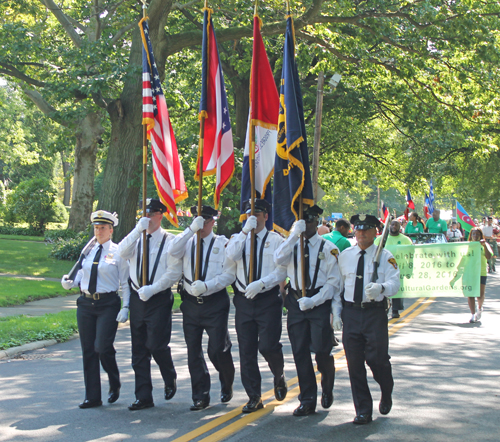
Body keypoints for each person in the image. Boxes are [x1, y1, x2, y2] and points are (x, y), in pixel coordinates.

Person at [274, 205, 341, 416]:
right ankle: (308, 399)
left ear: (317, 222)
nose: (306, 226)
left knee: (321, 350)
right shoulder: (292, 244)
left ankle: (327, 382)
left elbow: (333, 283)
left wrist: (314, 301)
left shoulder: (329, 248)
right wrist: (294, 234)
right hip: (295, 302)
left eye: (310, 222)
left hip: (318, 302)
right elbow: (278, 259)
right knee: (300, 351)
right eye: (302, 222)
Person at [167, 205, 235, 411]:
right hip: (190, 304)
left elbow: (229, 275)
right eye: (198, 220)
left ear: (213, 221)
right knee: (193, 352)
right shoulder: (186, 243)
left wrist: (207, 285)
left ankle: (226, 379)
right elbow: (171, 251)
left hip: (214, 303)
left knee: (217, 350)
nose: (201, 225)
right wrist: (190, 230)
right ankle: (200, 395)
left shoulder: (222, 244)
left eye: (205, 221)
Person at [117, 199, 182, 411]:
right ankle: (143, 396)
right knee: (139, 351)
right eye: (144, 213)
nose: (147, 217)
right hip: (137, 298)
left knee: (156, 345)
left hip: (158, 298)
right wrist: (137, 230)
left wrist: (152, 289)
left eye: (152, 213)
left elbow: (173, 272)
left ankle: (169, 374)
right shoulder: (136, 238)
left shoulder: (170, 241)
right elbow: (121, 252)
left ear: (160, 215)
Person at [61, 210, 130, 409]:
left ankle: (114, 380)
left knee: (102, 347)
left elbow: (125, 283)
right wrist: (69, 282)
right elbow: (81, 275)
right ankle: (92, 396)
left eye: (102, 228)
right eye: (96, 228)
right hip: (85, 304)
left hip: (107, 304)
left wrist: (126, 306)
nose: (98, 232)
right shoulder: (87, 251)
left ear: (111, 230)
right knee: (89, 350)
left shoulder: (118, 252)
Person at [225, 198, 288, 413]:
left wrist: (262, 283)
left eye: (259, 213)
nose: (255, 217)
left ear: (266, 216)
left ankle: (278, 374)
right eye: (250, 213)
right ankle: (254, 396)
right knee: (247, 351)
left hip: (267, 299)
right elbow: (230, 256)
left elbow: (282, 271)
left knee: (268, 346)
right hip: (244, 301)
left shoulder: (276, 240)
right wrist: (244, 233)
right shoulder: (238, 238)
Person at [337, 214, 400, 425]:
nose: (361, 233)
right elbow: (338, 286)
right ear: (353, 231)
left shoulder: (385, 255)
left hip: (374, 314)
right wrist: (335, 313)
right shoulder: (345, 255)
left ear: (376, 232)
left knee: (377, 360)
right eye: (358, 229)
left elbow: (395, 283)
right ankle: (363, 409)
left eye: (366, 230)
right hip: (352, 313)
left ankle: (386, 387)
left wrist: (382, 288)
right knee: (354, 364)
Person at [374, 219, 412, 318]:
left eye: (396, 225)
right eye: (392, 225)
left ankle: (395, 310)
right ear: (389, 226)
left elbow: (411, 254)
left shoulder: (406, 240)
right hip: (383, 268)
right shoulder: (381, 239)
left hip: (399, 269)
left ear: (400, 227)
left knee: (397, 289)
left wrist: (409, 269)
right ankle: (384, 309)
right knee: (383, 288)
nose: (394, 227)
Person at [467, 228, 492, 323]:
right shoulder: (468, 245)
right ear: (471, 236)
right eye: (473, 234)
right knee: (470, 294)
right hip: (470, 272)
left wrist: (484, 245)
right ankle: (473, 314)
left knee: (480, 295)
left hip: (481, 272)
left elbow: (489, 257)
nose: (475, 236)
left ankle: (480, 307)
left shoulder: (485, 245)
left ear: (481, 236)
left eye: (477, 234)